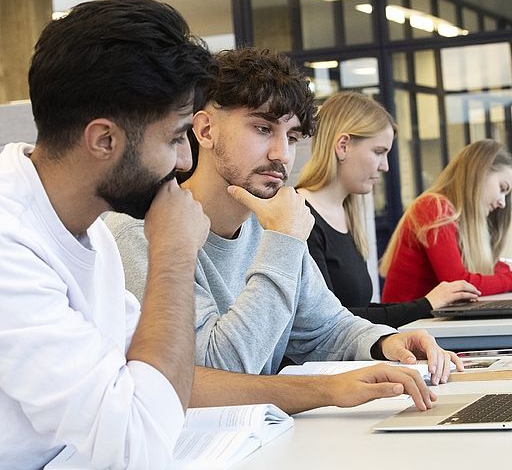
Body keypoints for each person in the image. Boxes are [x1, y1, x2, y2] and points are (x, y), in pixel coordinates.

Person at [106, 47, 462, 405]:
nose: (282, 155)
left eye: (291, 137)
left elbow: (327, 328)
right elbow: (215, 369)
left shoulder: (268, 227)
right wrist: (283, 241)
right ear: (206, 130)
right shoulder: (143, 234)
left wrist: (385, 343)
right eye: (263, 129)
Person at [0, 0, 214, 470]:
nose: (184, 163)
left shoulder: (86, 224)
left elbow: (150, 378)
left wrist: (321, 390)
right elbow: (136, 446)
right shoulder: (8, 241)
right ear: (104, 140)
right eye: (177, 137)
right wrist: (174, 253)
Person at [295, 91, 480, 328]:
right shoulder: (301, 218)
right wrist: (426, 304)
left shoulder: (345, 214)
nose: (385, 166)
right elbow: (331, 322)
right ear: (343, 146)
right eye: (379, 152)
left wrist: (432, 303)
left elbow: (357, 309)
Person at [380, 138, 512, 303]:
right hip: (407, 326)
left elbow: (491, 269)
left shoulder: (454, 216)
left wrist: (506, 273)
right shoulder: (434, 207)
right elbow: (458, 284)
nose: (502, 202)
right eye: (502, 188)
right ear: (481, 172)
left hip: (425, 323)